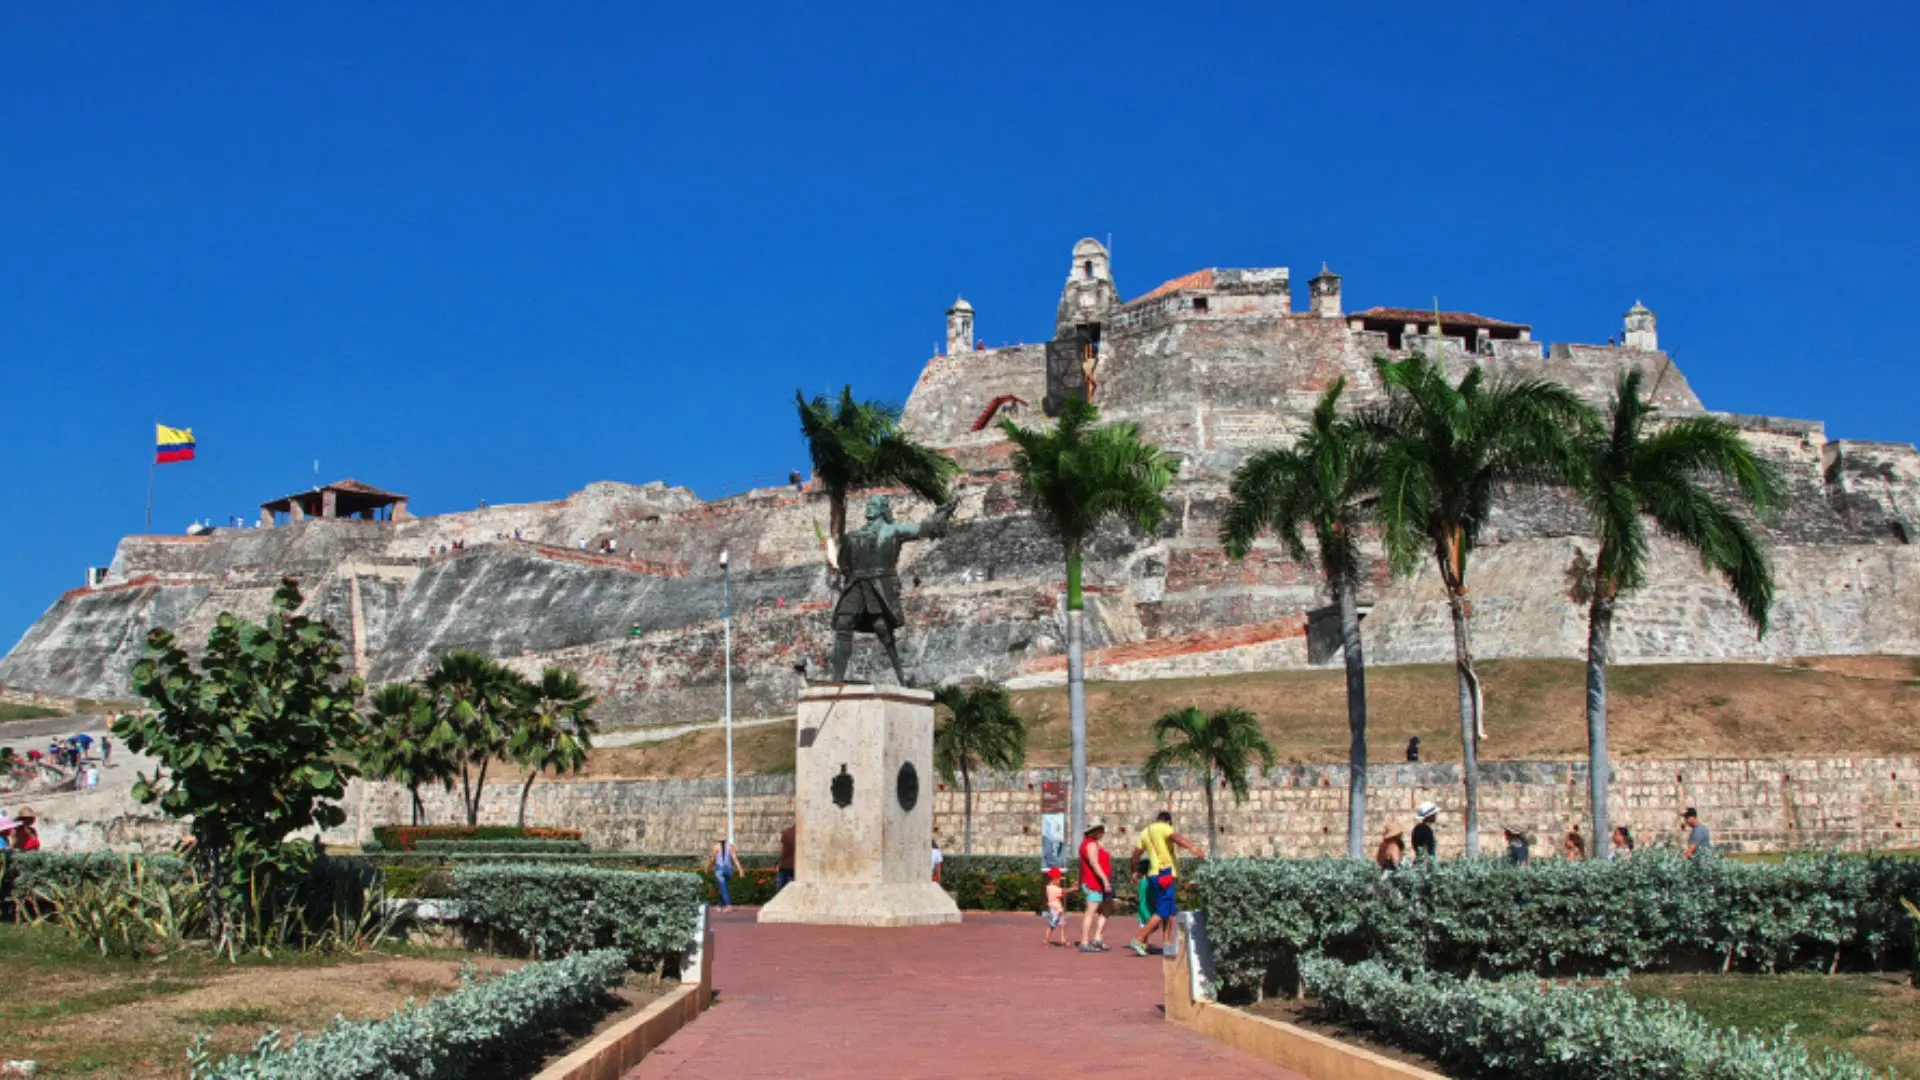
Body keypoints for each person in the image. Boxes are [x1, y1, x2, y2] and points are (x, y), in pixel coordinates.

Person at [1129, 811, 1205, 957]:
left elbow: (1135, 855)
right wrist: (1193, 849)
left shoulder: (1145, 832)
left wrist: (1134, 871)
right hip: (1164, 873)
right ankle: (1139, 939)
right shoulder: (1164, 827)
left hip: (1153, 874)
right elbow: (1177, 838)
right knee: (1162, 911)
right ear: (1168, 821)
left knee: (1169, 911)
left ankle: (1167, 943)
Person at [1076, 822, 1113, 953]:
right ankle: (1084, 941)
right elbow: (1094, 863)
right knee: (1091, 910)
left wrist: (1078, 880)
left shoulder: (1092, 844)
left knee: (1107, 907)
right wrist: (1105, 880)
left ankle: (1098, 937)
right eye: (1100, 830)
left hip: (1099, 882)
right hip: (1094, 882)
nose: (1102, 833)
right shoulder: (1090, 844)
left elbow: (1081, 865)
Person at [705, 837, 742, 912]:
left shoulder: (716, 847)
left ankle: (729, 906)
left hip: (720, 871)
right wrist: (740, 870)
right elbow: (735, 859)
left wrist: (707, 867)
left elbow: (712, 859)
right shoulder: (731, 847)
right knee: (723, 888)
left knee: (723, 889)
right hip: (729, 870)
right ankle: (719, 906)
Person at [1042, 867, 1076, 947]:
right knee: (1052, 925)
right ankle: (1047, 940)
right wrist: (1073, 889)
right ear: (1054, 878)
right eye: (1059, 879)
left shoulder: (1051, 887)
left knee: (1062, 924)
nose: (1060, 881)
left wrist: (1072, 888)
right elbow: (1063, 891)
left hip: (1059, 910)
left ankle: (1063, 940)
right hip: (1054, 910)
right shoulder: (1052, 888)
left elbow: (1062, 893)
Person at [776, 823, 797, 891]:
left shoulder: (787, 832)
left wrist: (778, 863)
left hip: (785, 866)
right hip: (799, 867)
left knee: (782, 890)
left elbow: (784, 851)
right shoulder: (805, 833)